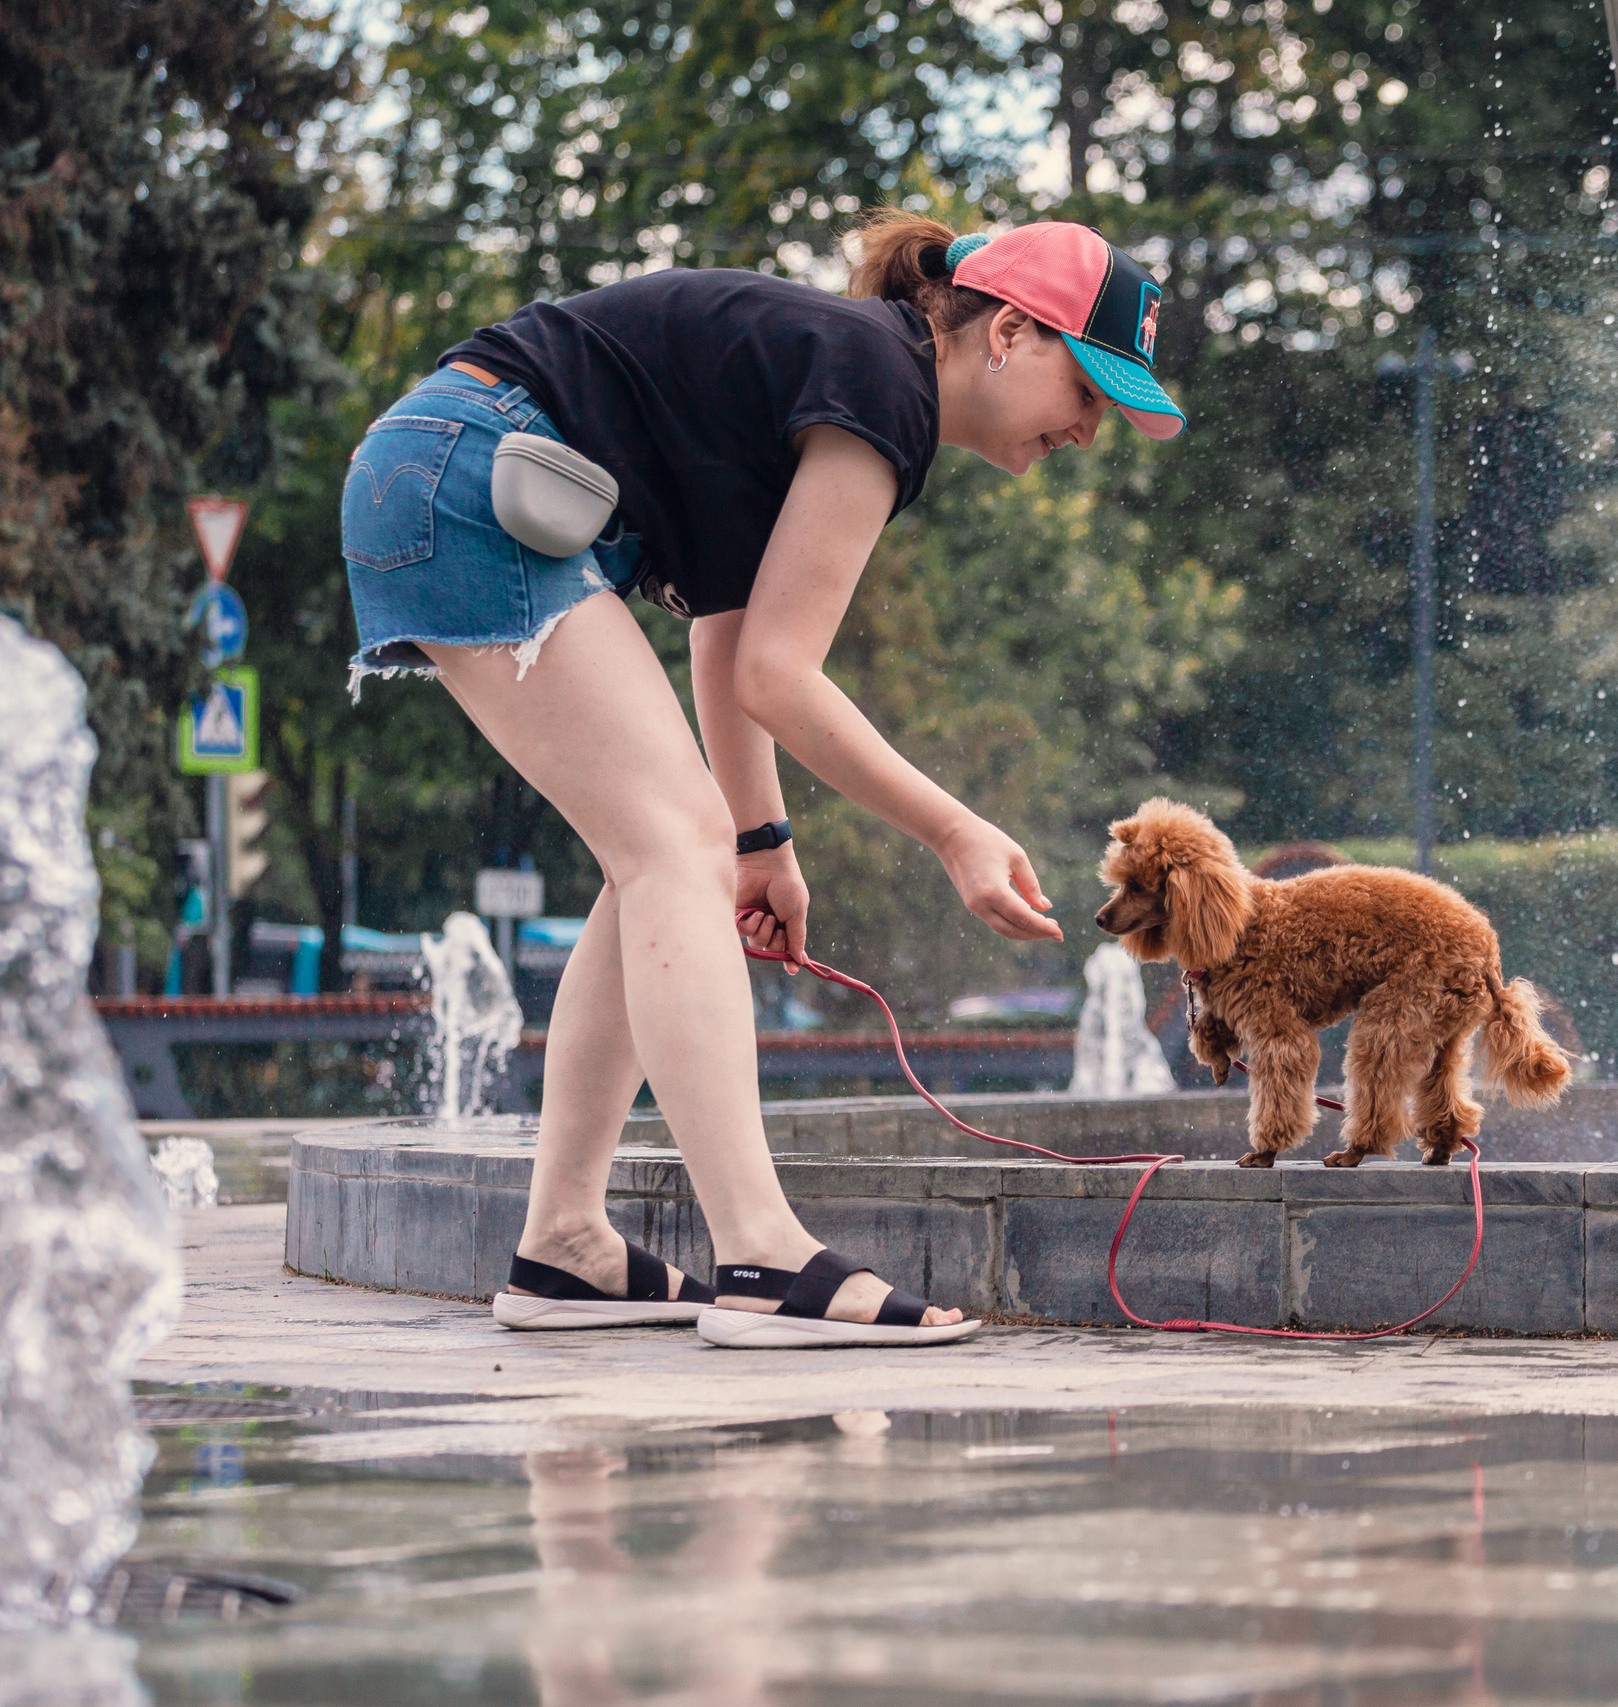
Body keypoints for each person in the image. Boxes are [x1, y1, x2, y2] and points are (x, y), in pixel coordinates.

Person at [339, 213, 1184, 1347]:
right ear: (1012, 333)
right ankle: (763, 1257)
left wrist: (762, 841)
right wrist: (953, 831)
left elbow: (731, 643)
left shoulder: (846, 372)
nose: (1089, 430)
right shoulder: (881, 385)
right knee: (667, 848)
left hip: (447, 466)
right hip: (471, 470)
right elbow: (783, 679)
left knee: (654, 860)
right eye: (1087, 389)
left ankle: (567, 1248)